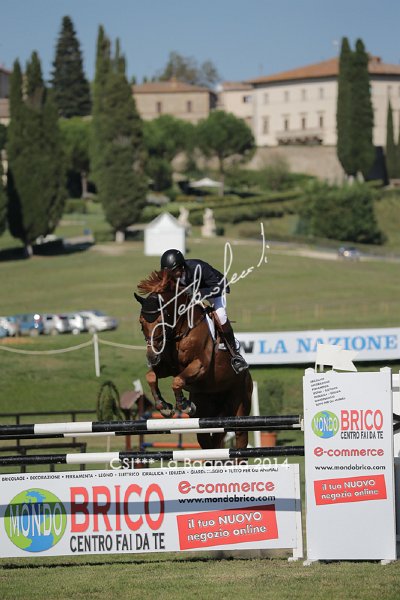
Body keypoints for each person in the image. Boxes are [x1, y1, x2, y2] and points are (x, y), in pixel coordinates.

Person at [160, 248, 248, 374]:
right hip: (191, 296)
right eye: (168, 273)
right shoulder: (169, 275)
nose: (171, 276)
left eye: (173, 272)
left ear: (181, 267)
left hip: (213, 290)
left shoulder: (198, 267)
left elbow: (220, 286)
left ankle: (235, 355)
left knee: (221, 316)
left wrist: (199, 293)